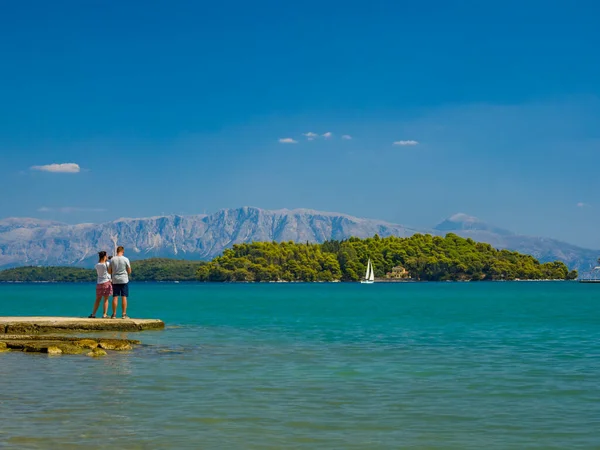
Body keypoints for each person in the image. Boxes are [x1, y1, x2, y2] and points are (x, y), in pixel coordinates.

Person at [108, 246, 132, 319]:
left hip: (115, 280)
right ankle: (124, 314)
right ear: (123, 251)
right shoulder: (126, 259)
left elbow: (109, 271)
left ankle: (114, 314)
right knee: (124, 296)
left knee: (115, 296)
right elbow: (129, 271)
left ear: (116, 251)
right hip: (124, 280)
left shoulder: (112, 259)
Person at [89, 251, 112, 318]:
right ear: (104, 256)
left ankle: (93, 314)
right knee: (106, 299)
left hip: (99, 283)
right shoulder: (107, 264)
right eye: (106, 256)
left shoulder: (97, 265)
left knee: (97, 299)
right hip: (106, 282)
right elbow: (110, 271)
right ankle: (104, 314)